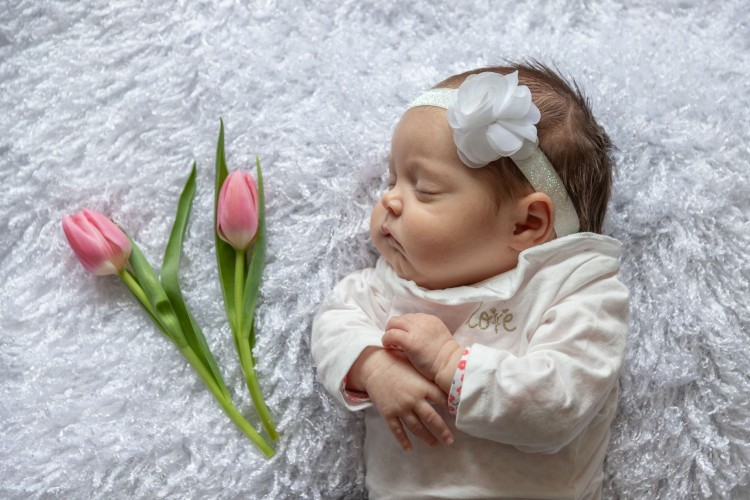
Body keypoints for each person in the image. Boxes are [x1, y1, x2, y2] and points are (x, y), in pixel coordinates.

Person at [311, 61, 629, 499]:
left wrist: (450, 363)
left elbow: (558, 404)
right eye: (392, 179)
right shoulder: (388, 287)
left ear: (525, 224)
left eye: (423, 189)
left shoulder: (576, 291)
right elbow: (334, 323)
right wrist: (373, 366)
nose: (389, 199)